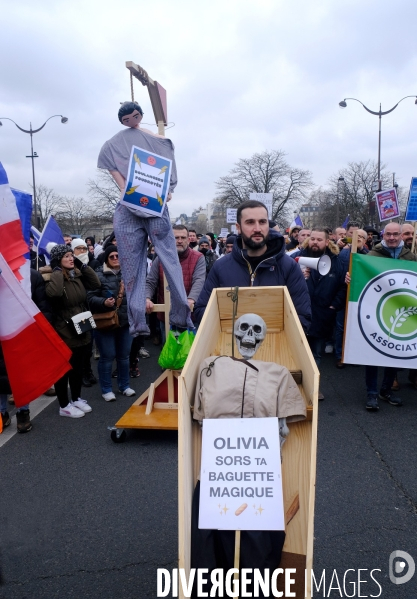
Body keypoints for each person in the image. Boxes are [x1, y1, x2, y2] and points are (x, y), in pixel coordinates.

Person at [97, 101, 193, 336]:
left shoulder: (114, 144)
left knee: (135, 265)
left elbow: (117, 175)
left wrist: (126, 192)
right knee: (162, 259)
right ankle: (159, 319)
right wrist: (167, 189)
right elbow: (167, 156)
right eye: (129, 118)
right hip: (148, 202)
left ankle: (141, 321)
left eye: (134, 116)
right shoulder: (151, 140)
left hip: (133, 202)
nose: (132, 121)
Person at [194, 200, 311, 332]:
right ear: (238, 227)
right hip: (230, 348)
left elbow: (303, 317)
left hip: (275, 348)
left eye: (262, 222)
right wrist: (234, 324)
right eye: (250, 222)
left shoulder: (288, 267)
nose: (257, 228)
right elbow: (200, 311)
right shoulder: (221, 267)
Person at [347, 223, 417, 410]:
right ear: (383, 235)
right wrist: (350, 277)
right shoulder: (371, 256)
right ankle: (371, 393)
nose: (392, 237)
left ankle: (386, 390)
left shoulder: (411, 258)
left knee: (394, 353)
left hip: (400, 311)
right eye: (389, 234)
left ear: (402, 236)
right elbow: (360, 280)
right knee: (372, 353)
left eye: (396, 234)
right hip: (376, 311)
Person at [46, 244, 100, 418]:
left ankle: (76, 398)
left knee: (78, 366)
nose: (71, 258)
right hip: (64, 327)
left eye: (72, 255)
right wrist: (57, 271)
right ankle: (64, 405)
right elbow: (54, 294)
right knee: (64, 369)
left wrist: (82, 266)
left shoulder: (76, 273)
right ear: (58, 260)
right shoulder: (54, 277)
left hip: (81, 323)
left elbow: (95, 283)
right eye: (67, 256)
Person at [293, 228, 346, 399]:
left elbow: (342, 286)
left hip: (323, 314)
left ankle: (313, 388)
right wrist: (299, 277)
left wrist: (334, 306)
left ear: (327, 242)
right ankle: (294, 388)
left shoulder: (337, 262)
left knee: (316, 354)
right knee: (297, 353)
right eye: (312, 238)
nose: (315, 242)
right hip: (300, 313)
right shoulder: (296, 259)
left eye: (319, 239)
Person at [87, 245, 135, 401]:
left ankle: (124, 386)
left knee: (124, 356)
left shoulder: (128, 274)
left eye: (117, 256)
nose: (115, 259)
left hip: (125, 322)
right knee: (107, 356)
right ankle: (106, 389)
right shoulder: (98, 275)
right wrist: (103, 302)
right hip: (105, 322)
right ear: (106, 259)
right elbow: (89, 298)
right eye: (111, 256)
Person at [146, 225, 206, 341]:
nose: (179, 241)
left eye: (183, 238)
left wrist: (190, 299)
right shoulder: (161, 258)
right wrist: (147, 298)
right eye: (176, 237)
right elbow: (151, 281)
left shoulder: (198, 257)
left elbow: (199, 280)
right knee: (169, 355)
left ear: (188, 239)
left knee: (191, 355)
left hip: (190, 316)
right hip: (167, 316)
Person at [335, 229, 369, 368]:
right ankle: (340, 355)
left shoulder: (369, 255)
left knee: (357, 327)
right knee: (340, 327)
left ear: (365, 241)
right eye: (355, 236)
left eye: (361, 236)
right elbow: (338, 273)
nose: (358, 238)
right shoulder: (343, 254)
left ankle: (354, 355)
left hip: (360, 298)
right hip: (343, 295)